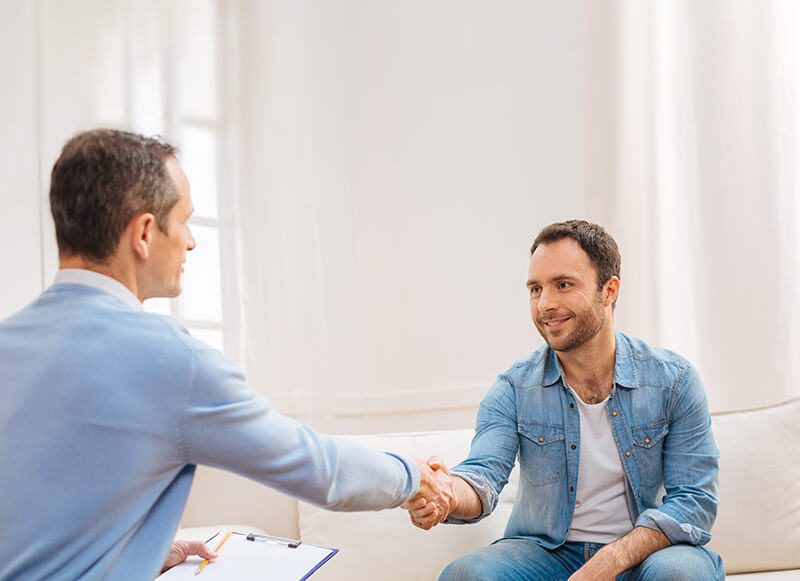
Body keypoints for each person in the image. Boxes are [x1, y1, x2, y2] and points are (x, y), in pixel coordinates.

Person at [0, 128, 455, 580]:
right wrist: (412, 474)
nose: (192, 242)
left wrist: (136, 552)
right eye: (184, 221)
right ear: (143, 233)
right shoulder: (171, 361)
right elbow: (319, 469)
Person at [405, 220, 724, 580]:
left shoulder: (674, 381)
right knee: (468, 575)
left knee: (680, 573)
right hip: (545, 555)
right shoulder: (513, 388)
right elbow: (482, 477)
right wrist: (445, 492)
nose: (545, 304)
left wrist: (614, 557)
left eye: (563, 285)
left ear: (609, 291)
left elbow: (694, 502)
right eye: (535, 289)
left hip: (643, 553)